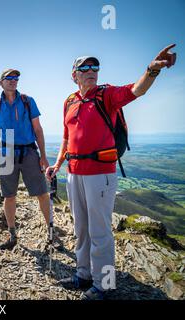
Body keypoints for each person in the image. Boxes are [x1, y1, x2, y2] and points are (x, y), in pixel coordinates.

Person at [46, 45, 177, 300]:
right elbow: (66, 137)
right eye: (84, 67)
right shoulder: (69, 101)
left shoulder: (106, 95)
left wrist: (152, 70)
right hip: (74, 173)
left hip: (100, 174)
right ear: (74, 75)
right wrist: (58, 164)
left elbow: (135, 90)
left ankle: (103, 285)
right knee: (81, 228)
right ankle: (83, 275)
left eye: (94, 66)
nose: (91, 71)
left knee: (100, 230)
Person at [0, 68, 52, 251]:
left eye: (16, 78)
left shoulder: (27, 101)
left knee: (42, 193)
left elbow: (38, 129)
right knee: (9, 196)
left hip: (29, 152)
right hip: (7, 152)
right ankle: (12, 234)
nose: (13, 80)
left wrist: (43, 156)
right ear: (1, 82)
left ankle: (51, 232)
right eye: (9, 78)